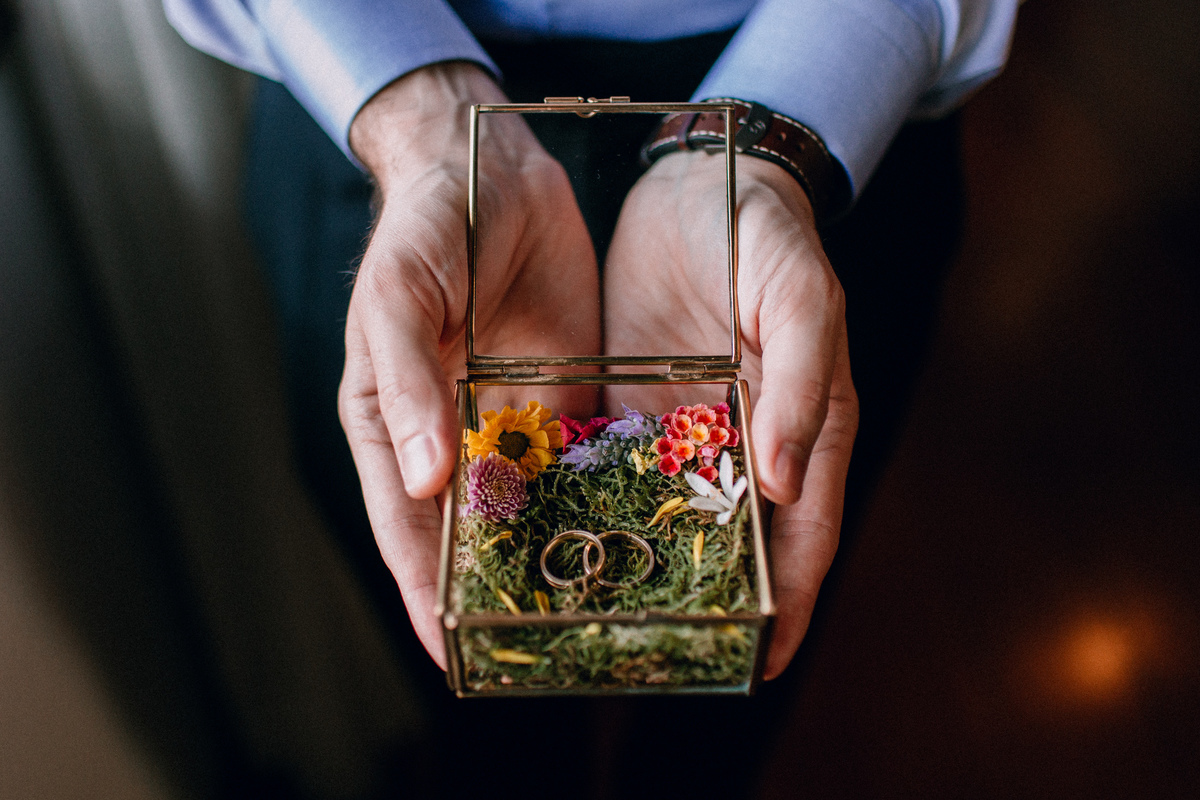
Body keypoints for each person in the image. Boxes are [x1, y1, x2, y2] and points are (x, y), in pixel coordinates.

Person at [166, 1, 1017, 793]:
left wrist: (765, 147)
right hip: (379, 97)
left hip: (809, 102)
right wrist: (423, 123)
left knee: (733, 649)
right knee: (466, 644)